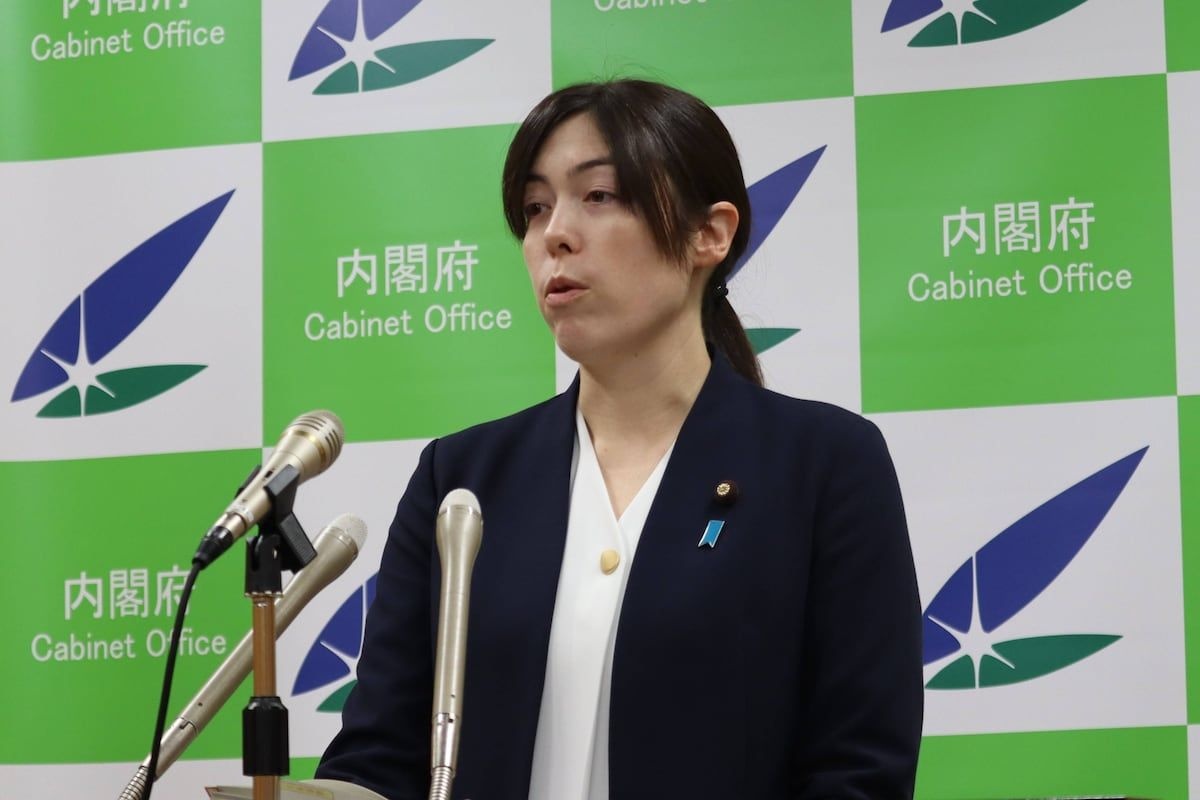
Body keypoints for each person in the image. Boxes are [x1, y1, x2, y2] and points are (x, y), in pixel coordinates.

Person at [316, 79, 923, 800]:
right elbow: (378, 758)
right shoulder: (463, 482)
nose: (554, 234)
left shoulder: (825, 466)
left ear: (710, 234)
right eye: (535, 208)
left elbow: (860, 771)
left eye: (598, 195)